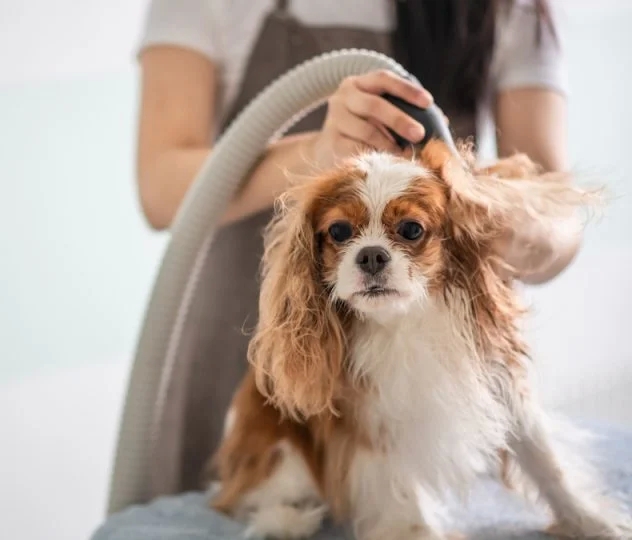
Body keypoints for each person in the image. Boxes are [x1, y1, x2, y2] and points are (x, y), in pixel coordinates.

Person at [94, 1, 616, 538]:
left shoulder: (511, 8)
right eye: (340, 234)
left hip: (447, 316)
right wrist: (316, 153)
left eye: (407, 231)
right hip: (254, 333)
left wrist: (501, 223)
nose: (370, 252)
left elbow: (559, 214)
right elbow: (160, 188)